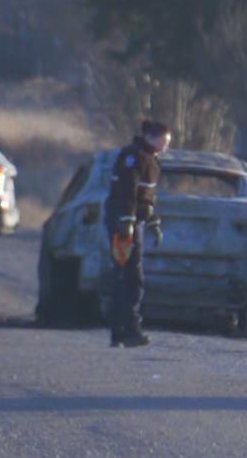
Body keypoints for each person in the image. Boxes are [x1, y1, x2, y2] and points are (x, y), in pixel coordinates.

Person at [104, 121, 172, 347]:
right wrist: (127, 222)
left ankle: (121, 331)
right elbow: (128, 192)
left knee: (127, 276)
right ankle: (128, 330)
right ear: (151, 137)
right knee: (130, 278)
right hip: (125, 225)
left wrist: (151, 220)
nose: (165, 146)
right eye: (164, 140)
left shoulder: (150, 158)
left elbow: (145, 196)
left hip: (136, 223)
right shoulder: (133, 157)